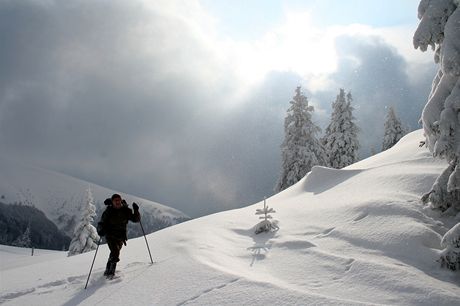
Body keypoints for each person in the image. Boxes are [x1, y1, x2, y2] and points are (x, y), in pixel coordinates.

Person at [97, 193, 140, 277]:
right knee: (115, 252)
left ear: (121, 200)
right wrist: (100, 230)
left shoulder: (126, 210)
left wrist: (136, 210)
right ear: (112, 202)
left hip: (121, 237)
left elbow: (136, 219)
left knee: (114, 253)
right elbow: (101, 223)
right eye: (115, 201)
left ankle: (107, 270)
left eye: (118, 200)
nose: (117, 202)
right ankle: (111, 272)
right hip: (110, 235)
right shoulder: (108, 211)